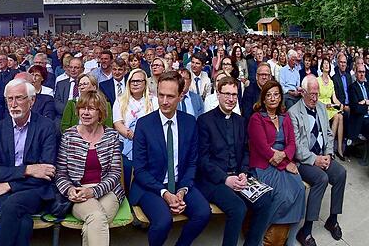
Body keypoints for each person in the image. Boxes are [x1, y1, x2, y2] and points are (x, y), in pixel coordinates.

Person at [130, 70, 211, 246]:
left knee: (203, 213)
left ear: (181, 96)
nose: (164, 101)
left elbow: (191, 162)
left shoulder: (189, 122)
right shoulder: (144, 124)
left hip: (180, 183)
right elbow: (140, 169)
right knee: (163, 222)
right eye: (161, 95)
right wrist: (165, 193)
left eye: (170, 96)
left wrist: (182, 190)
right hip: (150, 186)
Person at [196, 76, 273, 246]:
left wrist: (244, 173)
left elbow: (246, 151)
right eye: (227, 94)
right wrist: (225, 179)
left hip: (238, 177)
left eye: (234, 95)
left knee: (266, 200)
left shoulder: (240, 121)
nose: (231, 99)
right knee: (238, 208)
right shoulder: (204, 121)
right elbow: (202, 160)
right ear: (218, 94)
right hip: (214, 180)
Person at [0, 79, 58, 246]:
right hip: (3, 189)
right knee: (23, 222)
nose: (14, 104)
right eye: (10, 99)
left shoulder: (46, 127)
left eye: (19, 98)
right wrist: (28, 169)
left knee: (11, 206)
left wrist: (10, 185)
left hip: (35, 190)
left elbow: (46, 172)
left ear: (32, 101)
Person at [55, 90, 125, 246]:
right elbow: (60, 173)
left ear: (100, 112)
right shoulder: (68, 136)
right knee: (98, 218)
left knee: (95, 221)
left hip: (109, 191)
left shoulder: (111, 136)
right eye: (82, 108)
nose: (85, 112)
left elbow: (114, 174)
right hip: (79, 191)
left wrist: (93, 191)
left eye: (91, 108)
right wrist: (69, 190)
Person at [289, 77, 346, 245]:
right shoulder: (294, 113)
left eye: (317, 94)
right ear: (303, 92)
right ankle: (305, 230)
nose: (315, 98)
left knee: (341, 173)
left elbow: (328, 134)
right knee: (322, 178)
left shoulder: (321, 107)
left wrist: (328, 153)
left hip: (323, 155)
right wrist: (315, 160)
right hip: (305, 161)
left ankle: (332, 219)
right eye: (312, 94)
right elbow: (297, 148)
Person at [247, 80, 306, 243]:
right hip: (264, 165)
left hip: (284, 160)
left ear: (280, 97)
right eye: (269, 95)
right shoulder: (256, 119)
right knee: (282, 195)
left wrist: (285, 156)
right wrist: (285, 162)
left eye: (276, 94)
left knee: (300, 190)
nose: (273, 98)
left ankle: (291, 239)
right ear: (263, 99)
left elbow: (292, 143)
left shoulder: (285, 117)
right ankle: (258, 236)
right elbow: (263, 149)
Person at [111, 68, 155, 190]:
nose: (135, 84)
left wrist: (141, 138)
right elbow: (118, 123)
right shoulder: (120, 100)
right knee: (126, 170)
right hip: (125, 143)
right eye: (132, 81)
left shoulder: (153, 101)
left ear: (145, 83)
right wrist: (132, 136)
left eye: (139, 81)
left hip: (148, 143)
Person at [317, 59, 345, 159]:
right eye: (324, 64)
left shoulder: (331, 81)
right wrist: (324, 105)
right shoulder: (317, 80)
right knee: (338, 117)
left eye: (328, 64)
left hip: (330, 106)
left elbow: (334, 98)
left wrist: (340, 104)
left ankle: (338, 148)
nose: (326, 65)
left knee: (340, 116)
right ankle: (330, 148)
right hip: (320, 106)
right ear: (321, 67)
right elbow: (315, 98)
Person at [53, 57, 85, 126]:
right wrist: (70, 112)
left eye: (76, 68)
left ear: (82, 69)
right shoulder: (61, 84)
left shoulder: (87, 83)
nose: (73, 70)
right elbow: (57, 103)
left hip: (84, 115)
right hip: (64, 115)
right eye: (71, 67)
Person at [347, 64, 369, 143]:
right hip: (360, 119)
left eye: (363, 72)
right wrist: (367, 106)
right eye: (360, 72)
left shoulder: (367, 85)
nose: (362, 74)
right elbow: (356, 108)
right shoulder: (352, 87)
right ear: (355, 73)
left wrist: (364, 102)